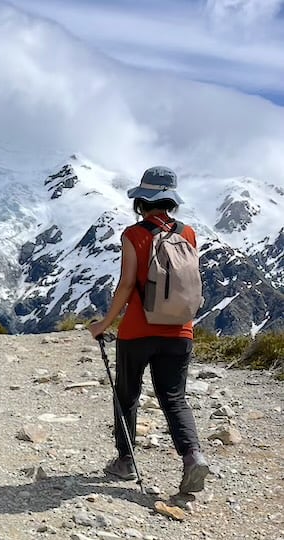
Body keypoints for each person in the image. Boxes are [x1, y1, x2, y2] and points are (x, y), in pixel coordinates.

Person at [88, 165, 209, 496]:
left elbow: (127, 285)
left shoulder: (134, 235)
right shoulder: (189, 234)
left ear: (141, 199)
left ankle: (125, 462)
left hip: (138, 331)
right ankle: (193, 456)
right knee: (174, 397)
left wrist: (104, 323)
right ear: (171, 201)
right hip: (180, 330)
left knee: (127, 394)